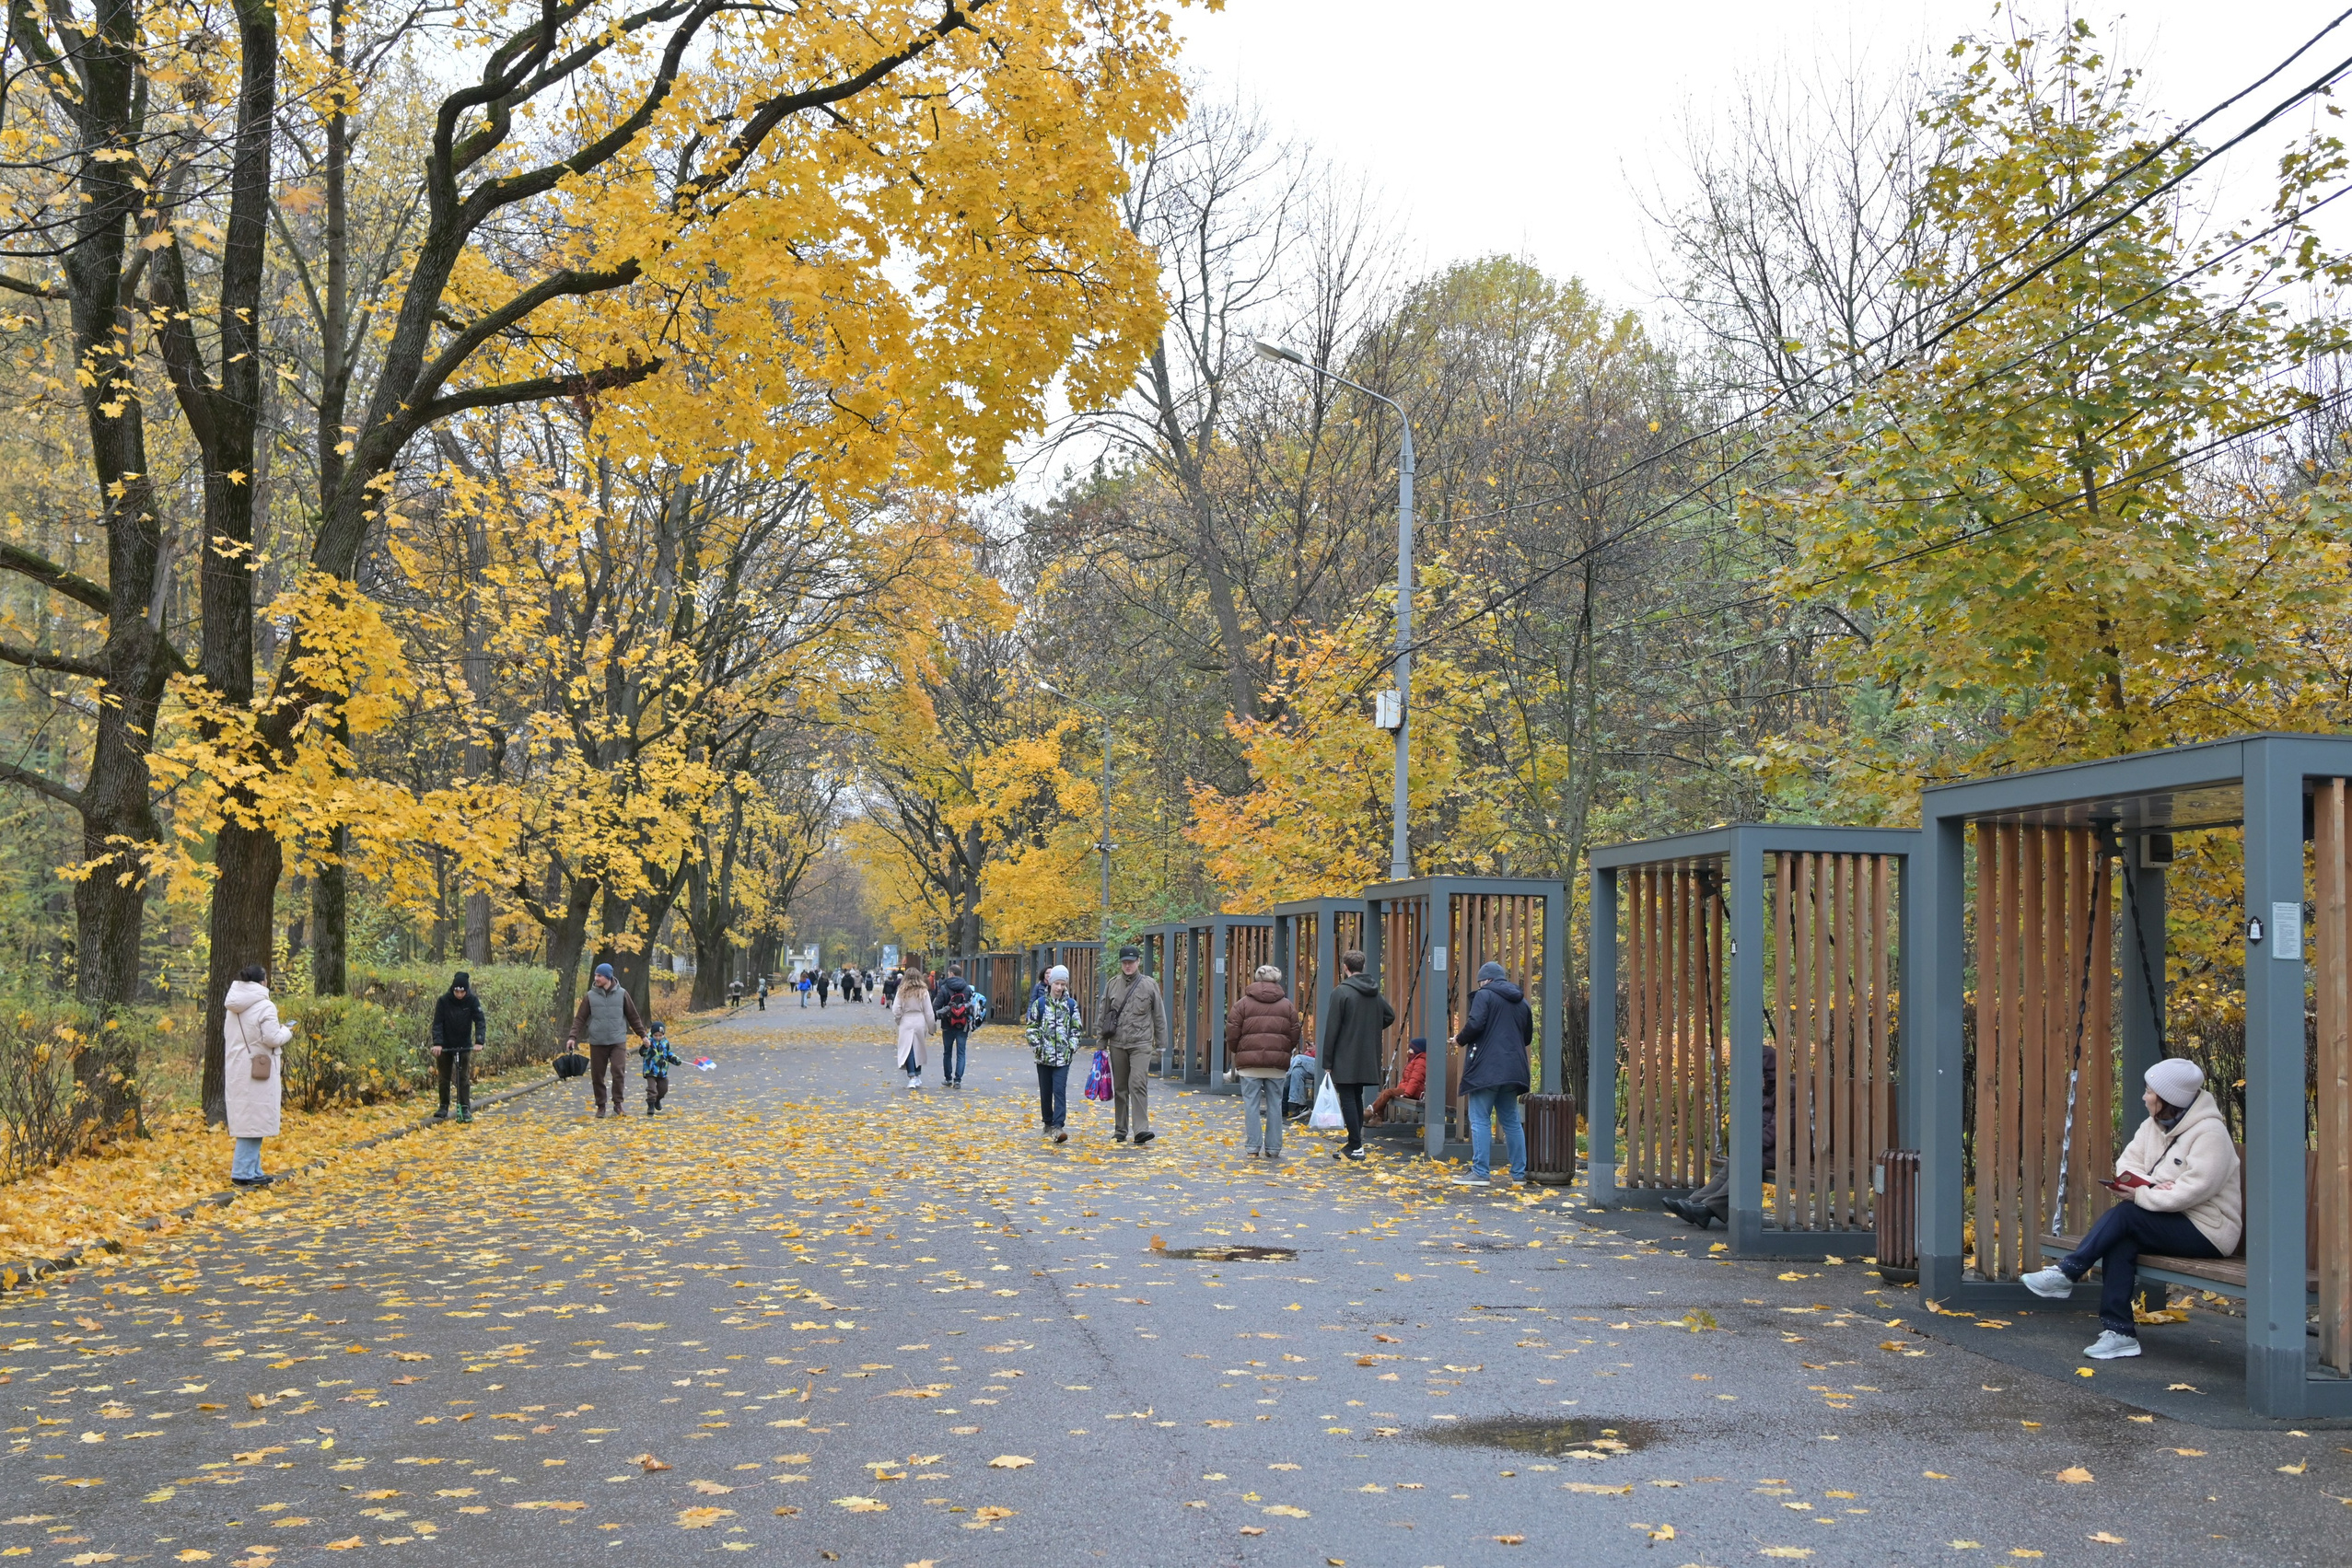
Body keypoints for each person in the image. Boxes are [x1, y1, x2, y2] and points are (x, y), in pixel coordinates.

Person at [2021, 1058, 2243, 1360]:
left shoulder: (2210, 1135)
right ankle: (2120, 1331)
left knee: (2126, 1215)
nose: (2144, 1096)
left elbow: (2194, 1190)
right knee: (2122, 1238)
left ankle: (2067, 1272)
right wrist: (2152, 1187)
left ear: (2168, 1099)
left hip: (2208, 1230)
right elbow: (2128, 1162)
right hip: (2166, 1218)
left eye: (2149, 1091)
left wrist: (2143, 1194)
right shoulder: (2153, 1125)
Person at [1665, 1043, 1778, 1228]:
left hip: (1789, 1149)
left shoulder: (1787, 1091)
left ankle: (1707, 1208)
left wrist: (1751, 1144)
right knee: (1736, 1160)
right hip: (1770, 1147)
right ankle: (1696, 1202)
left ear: (1767, 1070)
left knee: (1747, 1161)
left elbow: (1779, 1130)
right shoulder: (1768, 1092)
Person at [1453, 960, 1533, 1187]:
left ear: (1485, 981)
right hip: (1514, 1070)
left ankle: (1480, 1172)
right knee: (1511, 1121)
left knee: (1479, 1118)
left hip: (1486, 1068)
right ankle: (1519, 1174)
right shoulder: (1522, 1002)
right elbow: (1526, 1037)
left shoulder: (1484, 996)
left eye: (1481, 983)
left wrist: (1460, 1039)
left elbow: (1476, 1023)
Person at [1320, 949, 1394, 1161]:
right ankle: (1354, 1143)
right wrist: (1370, 1026)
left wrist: (1327, 1061)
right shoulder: (1373, 992)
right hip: (1367, 1053)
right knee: (1356, 1096)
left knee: (1348, 1099)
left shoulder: (1341, 992)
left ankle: (1356, 1145)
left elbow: (1332, 1028)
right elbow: (1390, 1015)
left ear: (1345, 968)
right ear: (1362, 967)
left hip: (1345, 1054)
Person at [223, 963, 293, 1188]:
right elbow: (272, 1038)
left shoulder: (233, 1006)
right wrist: (287, 1031)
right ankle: (243, 1171)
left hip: (238, 1067)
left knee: (251, 1119)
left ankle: (253, 1169)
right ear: (262, 982)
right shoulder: (265, 1006)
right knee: (254, 1121)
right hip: (258, 1069)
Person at [1225, 962, 1300, 1159]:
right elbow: (1294, 1034)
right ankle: (1274, 1149)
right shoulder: (1287, 1005)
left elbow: (1232, 1032)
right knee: (1275, 1104)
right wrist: (1283, 1051)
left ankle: (1252, 1148)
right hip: (1276, 1065)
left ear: (1257, 979)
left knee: (1251, 1104)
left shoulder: (1242, 1004)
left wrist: (1238, 1051)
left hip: (1250, 1064)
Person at [1099, 944, 1168, 1146]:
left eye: (1131, 962)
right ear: (1121, 963)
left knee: (1137, 1083)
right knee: (1120, 1088)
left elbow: (1159, 1015)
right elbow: (1103, 1014)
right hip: (1117, 1043)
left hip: (1141, 1043)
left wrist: (1161, 1043)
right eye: (1124, 962)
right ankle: (1120, 1130)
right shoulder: (1112, 984)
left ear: (1138, 962)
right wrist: (1100, 1043)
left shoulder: (1149, 984)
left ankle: (1141, 1130)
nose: (1128, 965)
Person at [567, 962, 648, 1119]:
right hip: (597, 1041)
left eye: (599, 976)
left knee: (618, 1072)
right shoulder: (590, 996)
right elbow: (580, 1019)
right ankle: (601, 1106)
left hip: (617, 1040)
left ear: (608, 977)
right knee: (597, 1075)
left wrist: (643, 1035)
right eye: (596, 975)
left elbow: (633, 1016)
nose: (596, 978)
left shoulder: (622, 994)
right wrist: (572, 1037)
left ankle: (618, 1104)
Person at [1027, 964, 1084, 1144]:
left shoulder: (1071, 1005)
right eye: (1057, 983)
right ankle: (1047, 1122)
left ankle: (1058, 1126)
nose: (1059, 987)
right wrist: (1037, 1046)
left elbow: (1076, 1029)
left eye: (1063, 984)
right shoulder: (1040, 1004)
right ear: (1050, 983)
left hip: (1063, 1057)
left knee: (1059, 1090)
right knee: (1046, 1091)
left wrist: (1071, 1046)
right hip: (1044, 1056)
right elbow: (1031, 1027)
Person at [430, 970, 487, 1123]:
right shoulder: (443, 1001)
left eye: (462, 991)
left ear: (466, 990)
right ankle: (443, 1106)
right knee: (444, 1077)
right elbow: (437, 1024)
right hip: (446, 1045)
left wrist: (479, 1042)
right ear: (453, 989)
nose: (459, 994)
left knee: (463, 1077)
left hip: (464, 1044)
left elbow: (480, 1021)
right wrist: (438, 1043)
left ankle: (464, 1107)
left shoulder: (472, 1001)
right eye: (456, 991)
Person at [892, 953, 936, 1088]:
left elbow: (896, 1009)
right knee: (919, 1048)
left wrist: (899, 1020)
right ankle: (917, 1074)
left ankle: (912, 1076)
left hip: (906, 1020)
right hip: (919, 1020)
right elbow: (929, 1011)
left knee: (908, 1048)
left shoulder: (902, 991)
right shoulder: (923, 991)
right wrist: (932, 1027)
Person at [933, 963, 978, 1087]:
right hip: (963, 1025)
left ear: (951, 974)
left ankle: (948, 1078)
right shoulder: (968, 989)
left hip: (948, 1025)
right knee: (961, 1052)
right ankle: (958, 1080)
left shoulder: (944, 987)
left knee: (947, 1052)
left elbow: (936, 1007)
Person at [1367, 1037, 1428, 1123]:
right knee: (1385, 1092)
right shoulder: (1415, 1060)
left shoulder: (1420, 1062)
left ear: (1418, 1050)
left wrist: (1407, 1094)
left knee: (1387, 1093)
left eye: (1411, 1048)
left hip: (1413, 1092)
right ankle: (1377, 1119)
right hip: (1408, 1089)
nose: (1409, 1050)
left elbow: (1415, 1080)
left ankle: (1371, 1111)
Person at [638, 1020, 681, 1116]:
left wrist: (675, 1059)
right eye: (656, 1035)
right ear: (652, 1034)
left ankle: (658, 1099)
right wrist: (645, 1047)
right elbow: (642, 1053)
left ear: (663, 1034)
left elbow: (669, 1054)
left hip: (662, 1070)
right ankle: (650, 1105)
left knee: (663, 1088)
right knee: (652, 1089)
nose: (658, 1037)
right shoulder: (648, 1042)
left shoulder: (665, 1042)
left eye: (660, 1035)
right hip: (651, 1070)